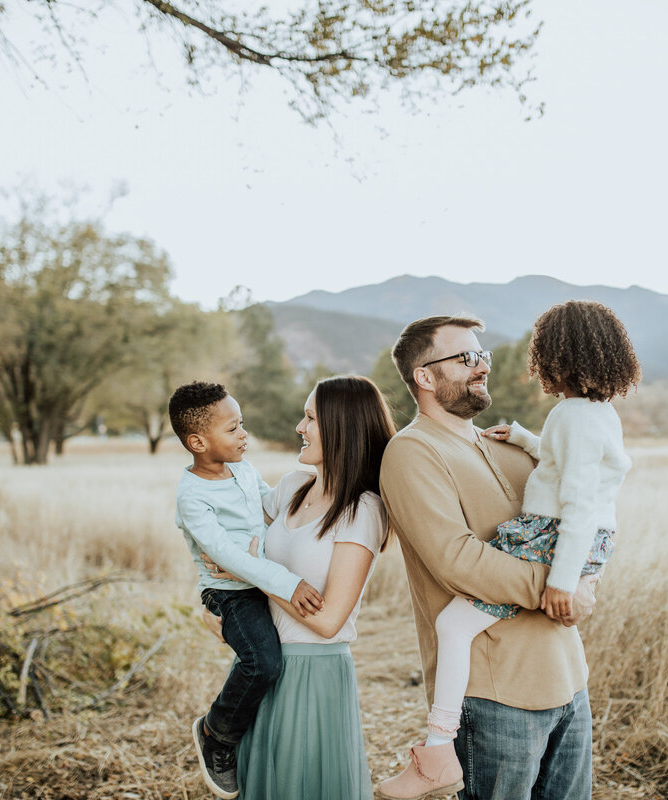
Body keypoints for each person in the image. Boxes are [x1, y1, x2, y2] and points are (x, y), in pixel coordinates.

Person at [378, 302, 640, 800]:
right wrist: (561, 590)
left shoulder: (509, 446)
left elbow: (582, 521)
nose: (481, 365)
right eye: (464, 358)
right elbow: (458, 560)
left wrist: (588, 580)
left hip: (568, 679)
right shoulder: (413, 452)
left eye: (483, 355)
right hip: (495, 693)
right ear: (425, 378)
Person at [199, 375, 398, 800]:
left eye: (310, 418)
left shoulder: (363, 510)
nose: (299, 427)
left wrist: (253, 574)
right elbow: (237, 544)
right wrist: (222, 604)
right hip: (261, 664)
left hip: (314, 674)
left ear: (342, 427)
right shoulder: (290, 487)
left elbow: (327, 622)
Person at [168, 381, 325, 799]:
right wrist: (288, 583)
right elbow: (226, 557)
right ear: (199, 441)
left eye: (243, 425)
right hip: (230, 593)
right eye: (234, 429)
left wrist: (310, 488)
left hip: (262, 580)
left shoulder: (243, 469)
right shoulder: (193, 497)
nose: (244, 436)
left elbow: (270, 510)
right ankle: (217, 732)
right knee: (263, 662)